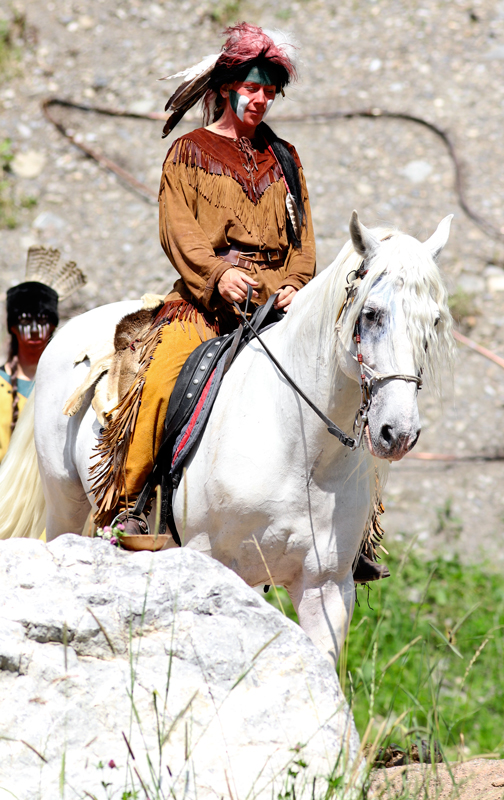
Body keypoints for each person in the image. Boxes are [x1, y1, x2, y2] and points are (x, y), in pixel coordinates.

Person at [90, 23, 387, 582]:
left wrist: (298, 284)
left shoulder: (286, 157)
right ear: (228, 86)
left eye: (270, 92)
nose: (261, 99)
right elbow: (177, 230)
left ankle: (353, 533)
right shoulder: (189, 152)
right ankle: (132, 503)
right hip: (205, 304)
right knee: (160, 377)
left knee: (354, 378)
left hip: (280, 305)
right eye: (253, 87)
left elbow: (305, 243)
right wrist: (218, 273)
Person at [0, 246, 86, 462]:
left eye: (43, 320)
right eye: (26, 321)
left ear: (53, 325)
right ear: (12, 327)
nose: (36, 329)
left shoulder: (69, 382)